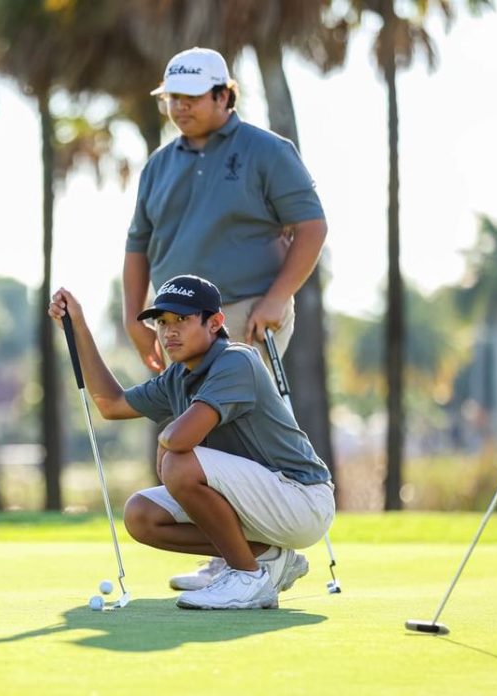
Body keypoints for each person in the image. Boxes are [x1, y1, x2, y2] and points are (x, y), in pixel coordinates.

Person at [123, 47, 329, 591]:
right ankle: (240, 553)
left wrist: (278, 296)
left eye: (192, 98)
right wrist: (132, 316)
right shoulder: (158, 164)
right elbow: (138, 246)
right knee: (196, 442)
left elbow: (310, 226)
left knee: (216, 435)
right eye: (172, 98)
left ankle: (254, 562)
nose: (180, 108)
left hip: (243, 310)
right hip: (176, 318)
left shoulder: (266, 150)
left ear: (223, 96)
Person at [49, 275, 335, 610]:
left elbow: (180, 440)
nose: (169, 331)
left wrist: (165, 443)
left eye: (181, 320)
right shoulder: (178, 375)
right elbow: (111, 405)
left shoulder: (237, 361)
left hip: (302, 500)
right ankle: (264, 556)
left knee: (179, 462)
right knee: (142, 515)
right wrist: (80, 327)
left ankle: (247, 577)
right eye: (162, 322)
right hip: (262, 501)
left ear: (215, 323)